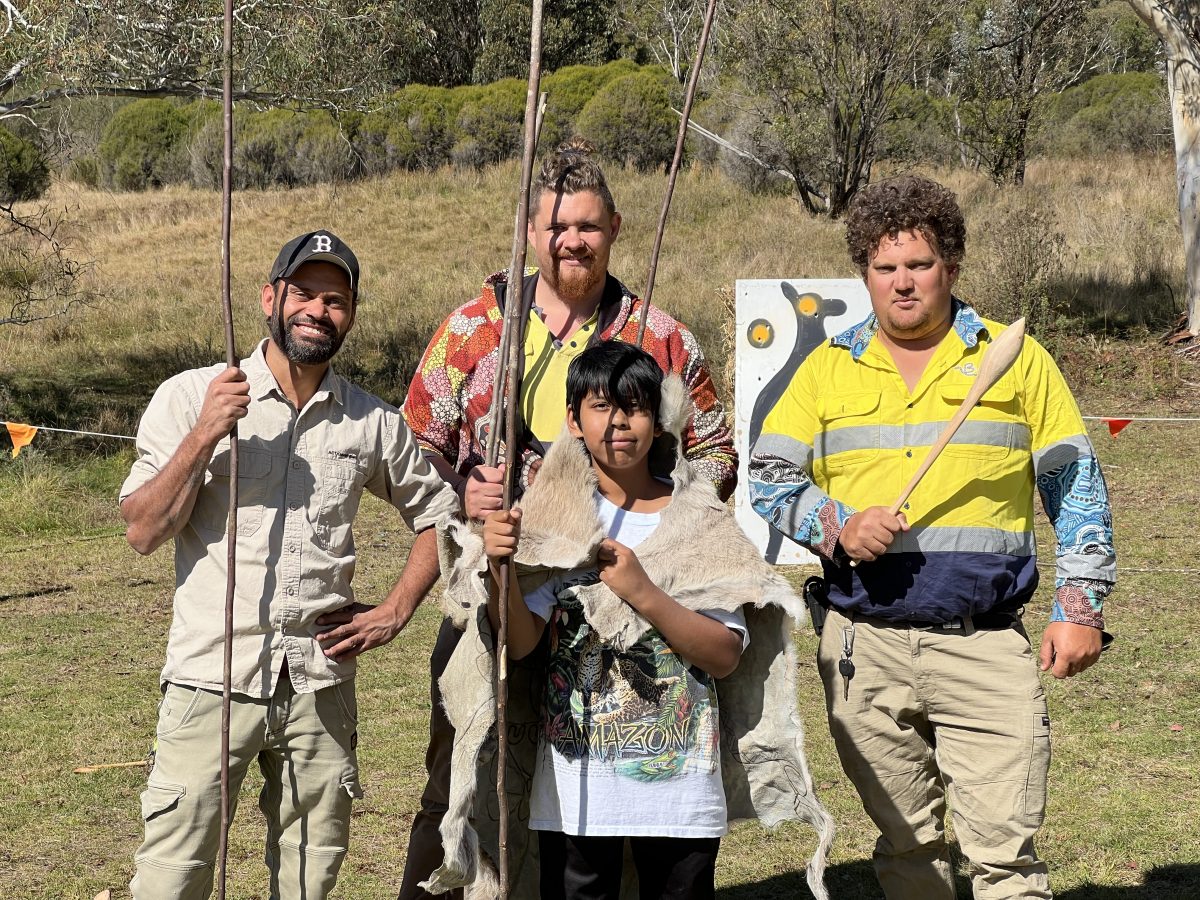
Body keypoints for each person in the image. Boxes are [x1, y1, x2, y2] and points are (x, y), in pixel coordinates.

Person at [748, 175, 1115, 899]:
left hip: (984, 647)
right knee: (907, 851)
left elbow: (1076, 488)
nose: (903, 283)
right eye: (885, 268)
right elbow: (766, 476)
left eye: (919, 264)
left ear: (951, 265)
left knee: (1005, 863)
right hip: (863, 650)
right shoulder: (827, 369)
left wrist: (1081, 605)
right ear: (865, 273)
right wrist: (837, 525)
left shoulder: (1014, 360)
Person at [398, 139, 736, 900]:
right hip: (499, 587)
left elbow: (715, 447)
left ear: (614, 226)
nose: (571, 241)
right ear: (529, 232)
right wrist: (466, 492)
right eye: (555, 227)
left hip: (624, 599)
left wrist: (669, 511)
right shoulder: (474, 333)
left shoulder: (660, 336)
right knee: (468, 770)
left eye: (586, 225)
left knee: (610, 797)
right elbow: (412, 450)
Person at [120, 230, 460, 899]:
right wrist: (206, 433)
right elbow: (142, 530)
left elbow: (441, 514)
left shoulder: (370, 421)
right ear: (269, 297)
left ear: (351, 316)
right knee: (173, 878)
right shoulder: (194, 395)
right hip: (210, 679)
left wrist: (395, 612)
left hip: (320, 684)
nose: (318, 310)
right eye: (304, 292)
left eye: (336, 299)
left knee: (311, 876)